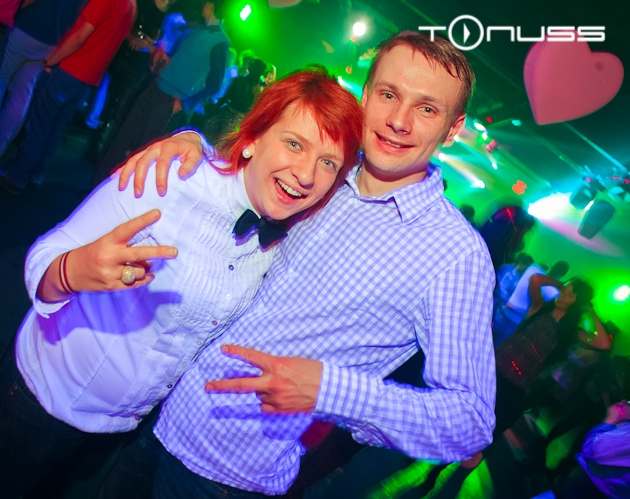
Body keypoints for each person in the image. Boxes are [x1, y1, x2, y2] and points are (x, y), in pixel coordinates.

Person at [120, 31, 496, 497]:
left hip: (221, 473)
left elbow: (470, 422)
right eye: (389, 95)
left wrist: (330, 390)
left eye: (426, 109)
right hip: (155, 403)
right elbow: (246, 172)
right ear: (366, 95)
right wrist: (191, 143)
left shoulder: (455, 255)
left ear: (453, 128)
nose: (399, 121)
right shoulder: (325, 172)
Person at [0, 67, 363, 498]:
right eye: (294, 144)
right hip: (44, 399)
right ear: (253, 138)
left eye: (328, 163)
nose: (306, 174)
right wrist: (71, 271)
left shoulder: (287, 237)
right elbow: (44, 257)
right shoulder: (171, 178)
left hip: (126, 429)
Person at [0, 0, 137, 194]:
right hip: (89, 78)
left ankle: (17, 176)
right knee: (55, 128)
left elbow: (80, 37)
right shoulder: (132, 6)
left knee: (39, 126)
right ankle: (36, 174)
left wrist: (51, 60)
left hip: (70, 68)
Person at [95, 0, 230, 184]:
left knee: (145, 153)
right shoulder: (198, 30)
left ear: (212, 6)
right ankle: (99, 184)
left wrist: (185, 104)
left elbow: (214, 84)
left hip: (171, 102)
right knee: (123, 138)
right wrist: (166, 61)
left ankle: (123, 192)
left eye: (205, 4)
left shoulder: (220, 41)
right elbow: (187, 64)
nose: (202, 7)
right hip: (156, 87)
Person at [493, 259, 570, 345]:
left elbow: (539, 270)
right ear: (563, 275)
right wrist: (561, 285)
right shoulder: (554, 293)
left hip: (502, 314)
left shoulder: (534, 269)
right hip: (515, 323)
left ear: (552, 265)